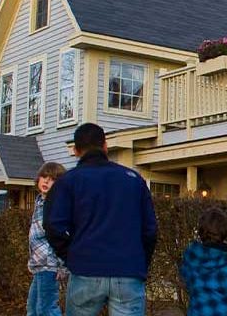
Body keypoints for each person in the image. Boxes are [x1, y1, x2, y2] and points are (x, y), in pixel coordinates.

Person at [44, 123, 159, 316]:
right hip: (128, 269)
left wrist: (71, 255)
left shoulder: (68, 182)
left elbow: (52, 225)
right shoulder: (133, 180)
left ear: (76, 150)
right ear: (105, 146)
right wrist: (140, 262)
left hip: (86, 268)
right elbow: (150, 230)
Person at [28, 162, 68, 316]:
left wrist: (63, 266)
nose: (46, 181)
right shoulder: (39, 202)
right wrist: (32, 261)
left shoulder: (57, 205)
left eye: (52, 179)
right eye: (44, 177)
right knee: (32, 308)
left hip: (50, 264)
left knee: (46, 308)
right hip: (38, 264)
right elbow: (35, 238)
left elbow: (62, 237)